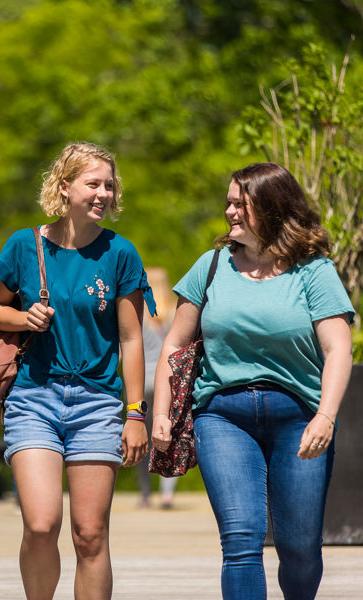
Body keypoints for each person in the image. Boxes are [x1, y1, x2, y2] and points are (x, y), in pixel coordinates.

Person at [152, 162, 353, 600]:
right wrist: (161, 414)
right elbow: (173, 346)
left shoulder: (313, 270)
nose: (229, 212)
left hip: (297, 416)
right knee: (241, 542)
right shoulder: (211, 266)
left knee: (299, 548)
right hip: (222, 417)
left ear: (273, 207)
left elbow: (339, 349)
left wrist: (326, 416)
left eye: (240, 203)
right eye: (228, 202)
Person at [0, 142, 155, 600]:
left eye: (109, 186)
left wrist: (135, 414)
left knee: (90, 534)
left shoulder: (121, 254)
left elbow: (131, 339)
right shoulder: (25, 244)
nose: (103, 194)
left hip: (97, 403)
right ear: (64, 187)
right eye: (92, 183)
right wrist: (23, 317)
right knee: (41, 524)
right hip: (34, 397)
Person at [135, 267, 178, 509]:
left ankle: (145, 493)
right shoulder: (174, 311)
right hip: (169, 382)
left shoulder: (138, 312)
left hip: (142, 380)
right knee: (168, 437)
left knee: (143, 437)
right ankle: (167, 493)